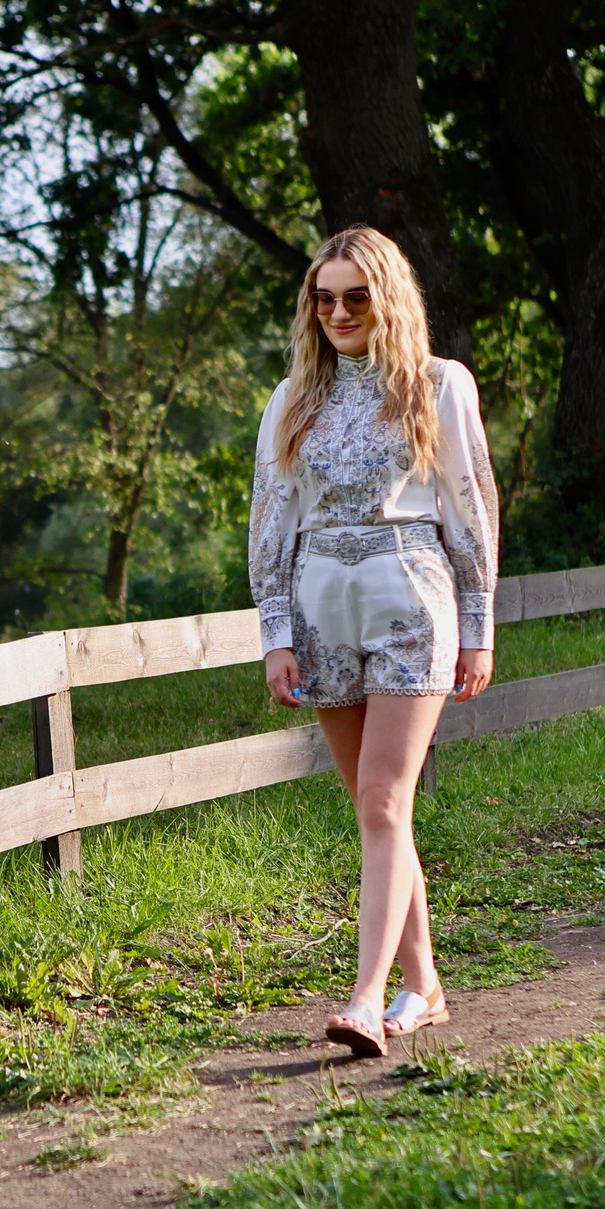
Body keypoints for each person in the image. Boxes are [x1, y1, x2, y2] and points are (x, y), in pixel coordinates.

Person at [248, 227, 500, 1058]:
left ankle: (364, 996)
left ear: (387, 298)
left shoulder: (438, 386)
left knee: (388, 800)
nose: (340, 312)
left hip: (410, 599)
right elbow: (272, 522)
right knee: (373, 806)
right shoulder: (292, 400)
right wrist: (276, 632)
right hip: (323, 606)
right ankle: (422, 984)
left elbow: (469, 506)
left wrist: (478, 624)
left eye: (357, 296)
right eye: (325, 298)